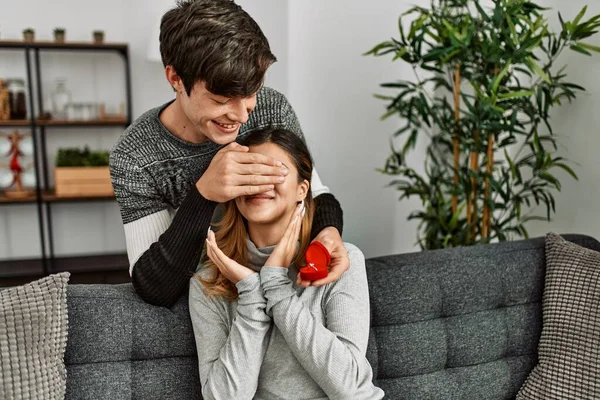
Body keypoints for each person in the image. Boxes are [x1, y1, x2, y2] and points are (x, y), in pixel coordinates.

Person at [109, 0, 348, 307]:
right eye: (222, 99)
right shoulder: (136, 156)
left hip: (286, 290)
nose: (242, 116)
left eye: (250, 94)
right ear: (176, 79)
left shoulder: (271, 109)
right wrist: (205, 193)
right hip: (209, 302)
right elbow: (154, 287)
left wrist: (328, 233)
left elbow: (315, 194)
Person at [189, 128, 384, 400]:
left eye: (275, 172)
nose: (261, 183)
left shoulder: (340, 263)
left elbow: (350, 387)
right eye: (250, 174)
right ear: (234, 190)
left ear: (301, 189)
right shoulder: (209, 281)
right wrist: (251, 292)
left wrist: (277, 285)